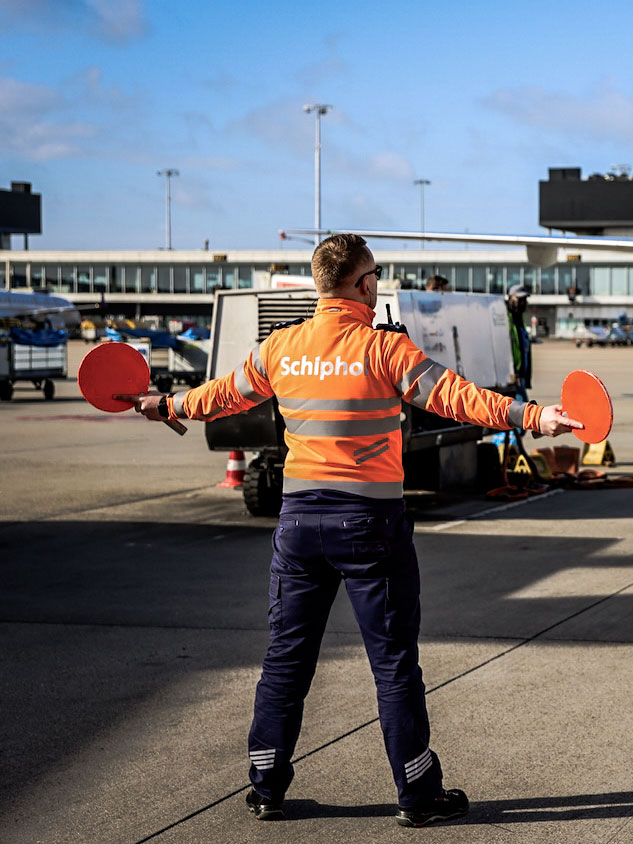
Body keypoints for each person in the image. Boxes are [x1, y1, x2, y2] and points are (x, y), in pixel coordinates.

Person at [116, 234, 581, 827]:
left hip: (299, 525)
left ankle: (265, 786)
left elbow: (219, 397)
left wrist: (166, 406)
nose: (378, 282)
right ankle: (418, 795)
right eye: (376, 274)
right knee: (392, 663)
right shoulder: (385, 349)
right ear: (362, 285)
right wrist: (534, 416)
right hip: (370, 526)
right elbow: (459, 399)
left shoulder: (280, 348)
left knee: (286, 659)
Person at [504, 284, 531, 397]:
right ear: (510, 297)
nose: (523, 303)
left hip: (520, 376)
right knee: (523, 411)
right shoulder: (505, 318)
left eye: (524, 300)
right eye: (519, 299)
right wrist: (513, 372)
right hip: (512, 376)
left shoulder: (519, 319)